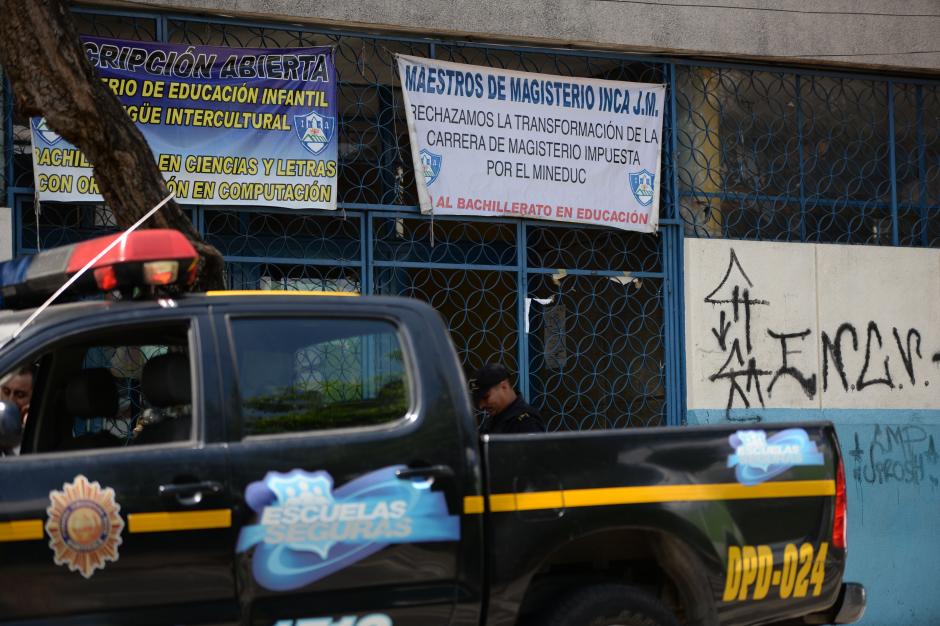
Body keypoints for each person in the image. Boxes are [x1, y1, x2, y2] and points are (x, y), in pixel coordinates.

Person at [469, 363, 546, 434]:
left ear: (504, 386)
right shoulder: (495, 418)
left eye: (485, 397)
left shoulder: (526, 422)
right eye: (478, 400)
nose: (481, 406)